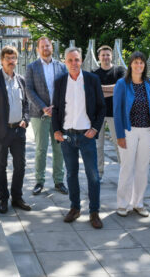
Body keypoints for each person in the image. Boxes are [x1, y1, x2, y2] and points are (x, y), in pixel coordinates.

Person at [52, 47, 106, 229]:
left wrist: (95, 129)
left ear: (81, 60)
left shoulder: (92, 80)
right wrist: (56, 130)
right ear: (65, 62)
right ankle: (75, 208)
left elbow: (101, 107)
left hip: (86, 135)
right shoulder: (60, 82)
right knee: (71, 174)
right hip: (67, 136)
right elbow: (56, 109)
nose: (73, 63)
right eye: (70, 60)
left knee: (93, 176)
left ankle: (94, 212)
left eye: (76, 60)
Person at [0, 46, 31, 214]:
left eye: (13, 58)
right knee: (1, 165)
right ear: (2, 60)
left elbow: (26, 104)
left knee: (20, 166)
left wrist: (25, 119)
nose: (11, 61)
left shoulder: (21, 80)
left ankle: (17, 197)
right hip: (1, 132)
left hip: (19, 131)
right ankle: (4, 199)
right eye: (8, 58)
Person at [113, 51, 150, 217]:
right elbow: (117, 111)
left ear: (144, 65)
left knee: (142, 169)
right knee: (127, 168)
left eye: (141, 62)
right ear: (130, 64)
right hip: (129, 131)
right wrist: (119, 135)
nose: (138, 65)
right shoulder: (122, 84)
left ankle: (138, 203)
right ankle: (122, 204)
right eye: (136, 62)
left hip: (148, 131)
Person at [25, 37, 68, 196]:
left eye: (47, 45)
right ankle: (39, 181)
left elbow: (65, 88)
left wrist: (56, 108)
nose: (45, 48)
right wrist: (43, 107)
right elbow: (29, 90)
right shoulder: (32, 67)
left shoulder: (61, 67)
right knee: (41, 149)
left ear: (52, 47)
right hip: (39, 114)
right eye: (42, 46)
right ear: (38, 49)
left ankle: (59, 181)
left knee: (59, 149)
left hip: (58, 115)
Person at [92, 45, 126, 181]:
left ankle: (124, 173)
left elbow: (121, 88)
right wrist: (112, 90)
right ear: (99, 57)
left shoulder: (119, 71)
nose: (105, 57)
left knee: (119, 144)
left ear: (111, 56)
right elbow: (93, 92)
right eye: (103, 55)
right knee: (98, 145)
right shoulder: (94, 72)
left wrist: (101, 90)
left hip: (115, 113)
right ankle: (98, 173)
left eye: (108, 55)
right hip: (98, 113)